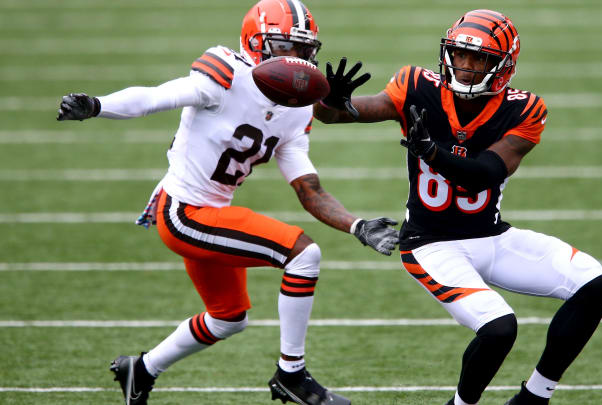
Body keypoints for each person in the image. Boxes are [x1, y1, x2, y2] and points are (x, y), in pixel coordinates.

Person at [56, 1, 399, 404]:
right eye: (287, 46)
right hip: (184, 211)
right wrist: (98, 105)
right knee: (303, 255)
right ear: (256, 44)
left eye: (305, 49)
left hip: (209, 213)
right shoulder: (225, 74)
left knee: (228, 317)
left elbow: (310, 190)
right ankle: (293, 375)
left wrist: (357, 226)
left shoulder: (297, 109)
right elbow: (155, 97)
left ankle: (141, 370)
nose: (299, 58)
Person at [314, 9, 602, 405]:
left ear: (503, 66)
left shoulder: (524, 109)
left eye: (480, 59)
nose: (467, 66)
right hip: (430, 243)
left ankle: (535, 396)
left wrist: (431, 152)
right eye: (460, 55)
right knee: (499, 329)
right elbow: (343, 114)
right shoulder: (416, 86)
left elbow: (483, 174)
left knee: (596, 285)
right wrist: (332, 102)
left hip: (490, 235)